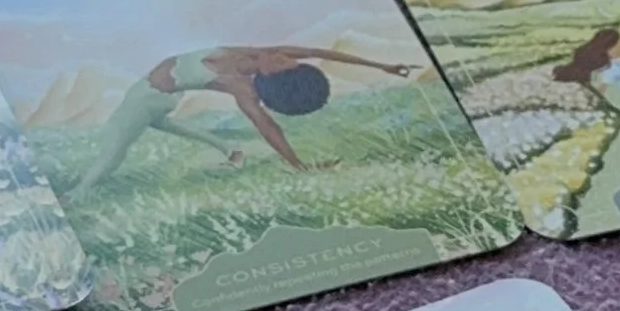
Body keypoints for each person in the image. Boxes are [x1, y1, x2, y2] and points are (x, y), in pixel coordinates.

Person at [76, 44, 424, 190]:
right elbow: (322, 51)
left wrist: (299, 165)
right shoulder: (267, 53)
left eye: (287, 65)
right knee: (166, 125)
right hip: (158, 99)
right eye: (292, 60)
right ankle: (231, 151)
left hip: (147, 100)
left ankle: (77, 193)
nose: (286, 56)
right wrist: (383, 65)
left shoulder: (243, 88)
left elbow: (267, 126)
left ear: (275, 78)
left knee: (113, 149)